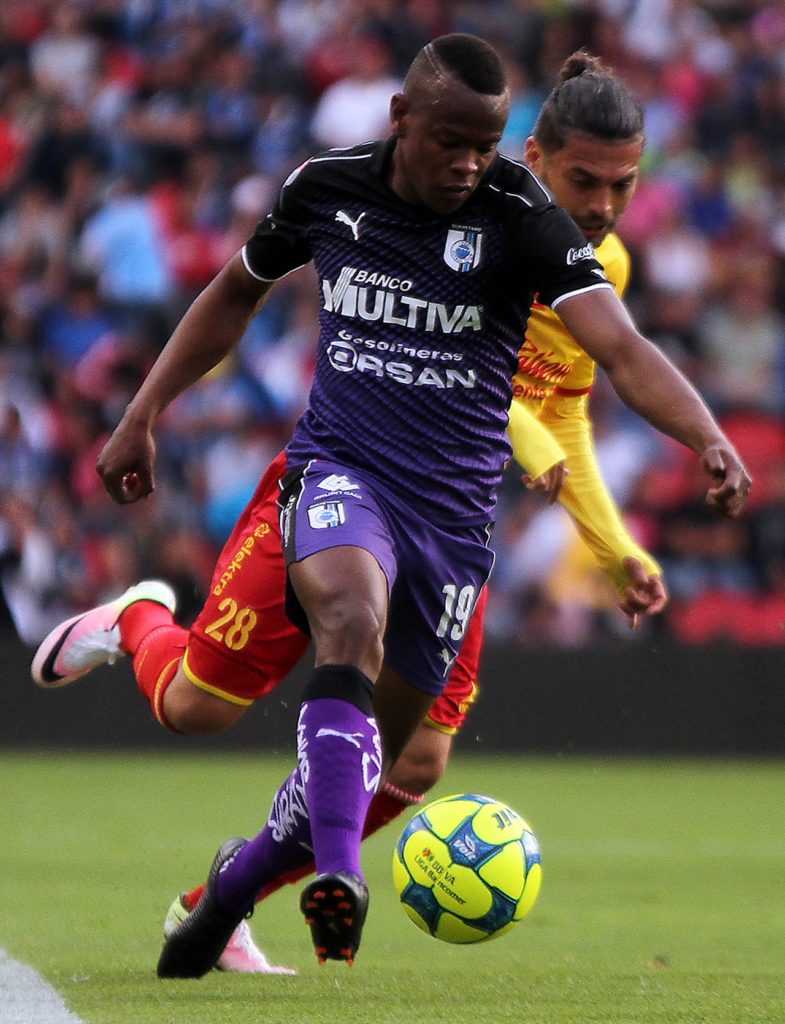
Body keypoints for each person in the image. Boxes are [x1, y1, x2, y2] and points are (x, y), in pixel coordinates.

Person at [32, 34, 750, 975]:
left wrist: (704, 435)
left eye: (481, 147)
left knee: (401, 761)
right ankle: (322, 851)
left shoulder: (527, 220)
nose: (465, 164)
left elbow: (616, 355)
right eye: (450, 141)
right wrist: (141, 415)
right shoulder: (325, 188)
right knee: (318, 635)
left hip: (450, 522)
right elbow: (231, 293)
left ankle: (228, 891)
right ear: (400, 118)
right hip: (337, 471)